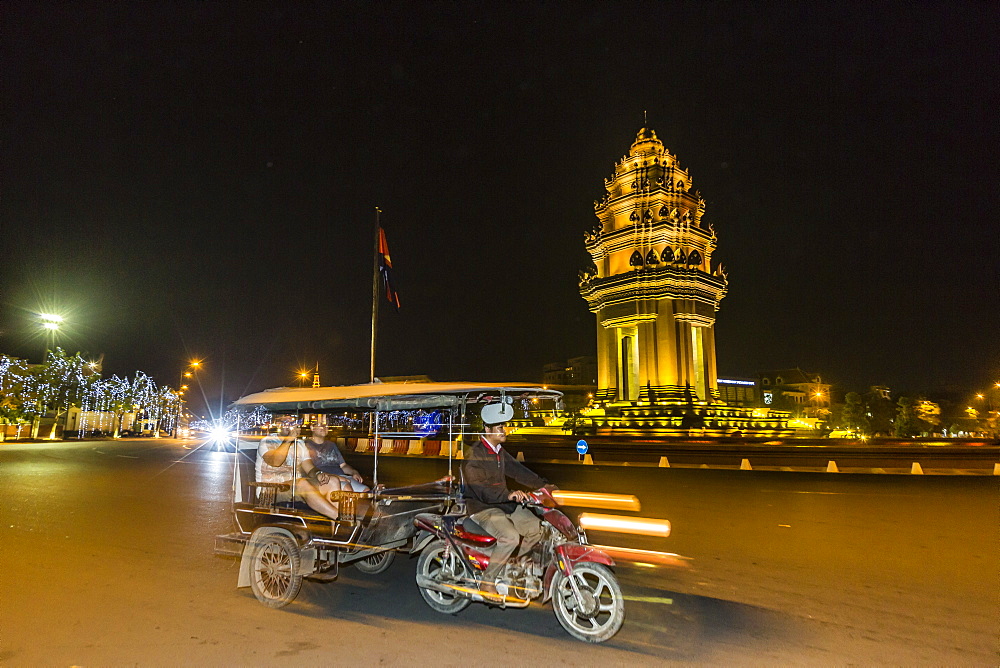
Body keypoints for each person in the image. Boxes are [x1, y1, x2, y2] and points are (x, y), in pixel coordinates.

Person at [462, 398, 554, 597]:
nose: (504, 430)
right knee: (510, 537)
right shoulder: (475, 455)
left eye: (504, 426)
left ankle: (517, 567)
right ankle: (487, 582)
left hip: (504, 505)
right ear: (487, 430)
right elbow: (481, 489)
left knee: (537, 529)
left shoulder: (499, 452)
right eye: (499, 427)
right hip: (482, 508)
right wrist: (508, 494)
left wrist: (543, 485)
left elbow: (518, 471)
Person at [256, 418, 342, 519]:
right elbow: (275, 462)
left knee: (332, 481)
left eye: (293, 424)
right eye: (287, 424)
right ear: (279, 425)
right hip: (271, 490)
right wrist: (288, 440)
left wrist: (319, 473)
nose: (291, 427)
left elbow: (309, 468)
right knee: (302, 483)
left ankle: (334, 530)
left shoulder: (300, 444)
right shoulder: (267, 441)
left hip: (296, 487)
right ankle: (338, 518)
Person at [303, 423, 369, 492]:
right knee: (347, 489)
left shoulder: (331, 445)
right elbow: (311, 470)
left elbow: (343, 466)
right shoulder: (306, 445)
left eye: (326, 425)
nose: (324, 427)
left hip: (342, 476)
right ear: (312, 427)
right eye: (320, 425)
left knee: (366, 490)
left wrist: (354, 472)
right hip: (325, 478)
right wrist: (337, 477)